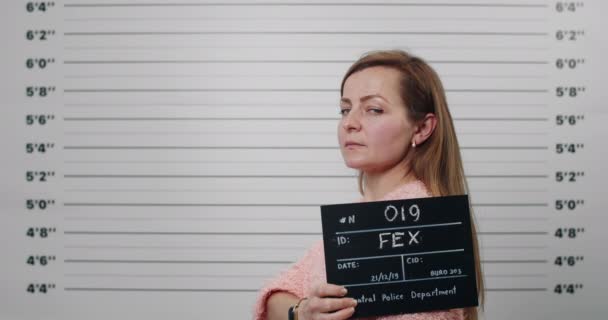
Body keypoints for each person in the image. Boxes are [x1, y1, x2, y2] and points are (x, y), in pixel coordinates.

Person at [253, 50, 484, 320]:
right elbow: (274, 294)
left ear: (421, 128)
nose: (349, 123)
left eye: (374, 109)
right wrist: (301, 312)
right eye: (345, 109)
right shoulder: (358, 217)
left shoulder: (422, 226)